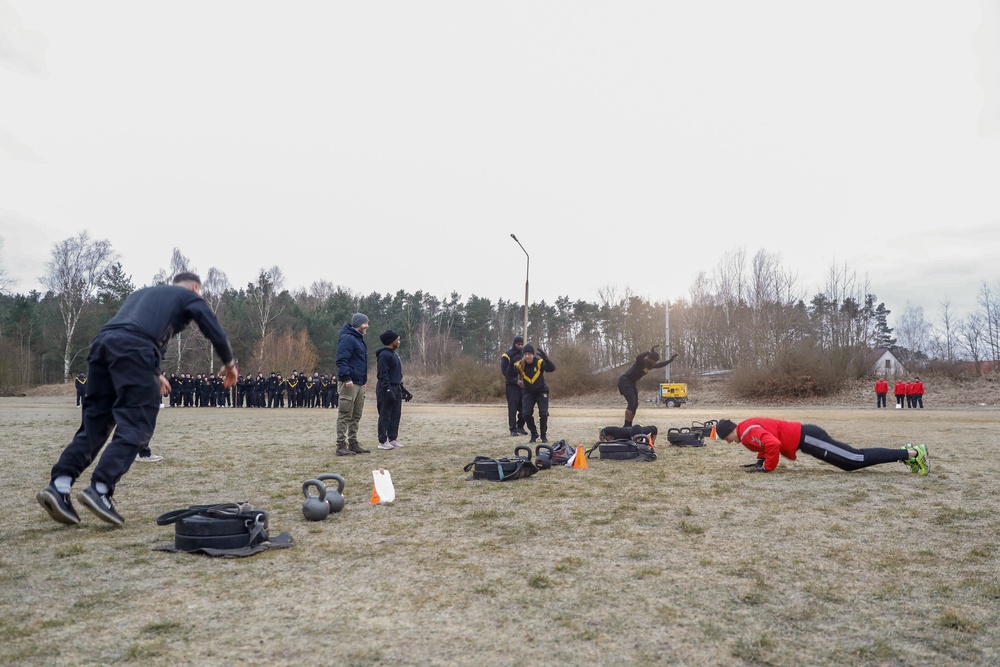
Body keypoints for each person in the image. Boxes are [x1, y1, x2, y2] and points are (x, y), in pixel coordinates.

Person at [37, 272, 237, 527]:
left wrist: (154, 374)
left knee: (96, 423)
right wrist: (230, 363)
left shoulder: (142, 295)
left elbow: (131, 330)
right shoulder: (188, 296)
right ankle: (100, 489)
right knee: (137, 423)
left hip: (102, 345)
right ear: (196, 287)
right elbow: (212, 327)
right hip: (135, 348)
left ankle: (59, 485)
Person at [714, 417, 929, 475]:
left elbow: (773, 443)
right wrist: (760, 462)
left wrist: (767, 468)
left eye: (726, 439)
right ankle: (906, 453)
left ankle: (912, 452)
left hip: (808, 437)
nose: (728, 443)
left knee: (855, 459)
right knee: (849, 465)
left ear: (729, 432)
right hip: (806, 440)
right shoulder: (745, 430)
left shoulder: (748, 432)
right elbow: (765, 443)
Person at [336, 313, 371, 456]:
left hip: (358, 383)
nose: (367, 326)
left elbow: (360, 362)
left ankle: (353, 443)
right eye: (365, 323)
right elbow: (342, 359)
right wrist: (347, 378)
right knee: (345, 414)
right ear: (358, 323)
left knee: (356, 415)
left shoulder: (359, 339)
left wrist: (363, 381)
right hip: (349, 383)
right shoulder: (348, 338)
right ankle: (340, 445)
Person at [618, 346, 679, 427]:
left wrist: (670, 360)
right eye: (655, 361)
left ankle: (629, 425)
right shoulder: (642, 362)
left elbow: (661, 364)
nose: (656, 363)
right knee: (631, 403)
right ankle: (626, 425)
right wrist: (648, 352)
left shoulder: (651, 365)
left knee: (635, 405)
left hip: (632, 383)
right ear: (650, 359)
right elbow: (638, 357)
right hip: (625, 381)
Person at [506, 344, 555, 444]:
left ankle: (543, 435)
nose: (527, 356)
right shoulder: (520, 364)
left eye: (529, 354)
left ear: (532, 354)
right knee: (526, 414)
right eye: (525, 354)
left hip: (541, 391)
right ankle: (534, 433)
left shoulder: (539, 363)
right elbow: (509, 375)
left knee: (544, 414)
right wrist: (511, 364)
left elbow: (551, 368)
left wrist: (546, 359)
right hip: (528, 392)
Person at [375, 330, 413, 450]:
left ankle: (392, 438)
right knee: (385, 414)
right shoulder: (384, 355)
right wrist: (387, 390)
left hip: (396, 387)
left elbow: (396, 375)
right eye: (397, 339)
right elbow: (383, 374)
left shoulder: (394, 355)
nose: (399, 342)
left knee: (396, 414)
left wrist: (403, 389)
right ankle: (382, 441)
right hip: (386, 387)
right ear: (391, 341)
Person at [499, 336, 528, 436]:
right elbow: (505, 372)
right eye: (518, 344)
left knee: (524, 408)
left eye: (521, 344)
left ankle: (520, 426)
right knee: (513, 408)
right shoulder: (506, 356)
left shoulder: (524, 355)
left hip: (523, 386)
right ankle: (513, 429)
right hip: (512, 386)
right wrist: (516, 381)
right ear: (514, 344)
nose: (520, 346)